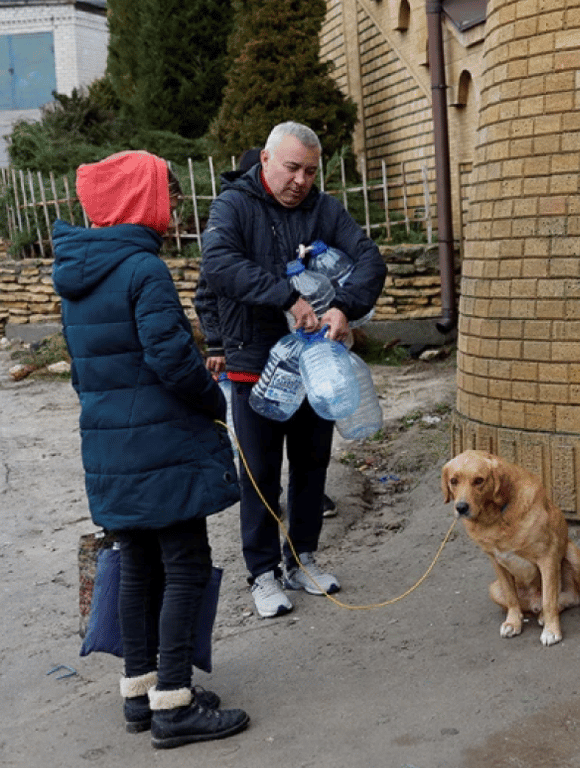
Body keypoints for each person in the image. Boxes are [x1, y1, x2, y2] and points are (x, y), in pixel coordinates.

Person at [52, 151, 251, 747]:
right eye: (162, 189)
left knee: (137, 565)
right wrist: (213, 403)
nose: (169, 200)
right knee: (184, 565)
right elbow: (170, 359)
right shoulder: (142, 269)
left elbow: (82, 375)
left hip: (111, 447)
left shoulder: (77, 276)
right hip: (161, 446)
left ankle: (140, 695)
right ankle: (175, 704)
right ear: (140, 200)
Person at [201, 121, 387, 618]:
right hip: (253, 362)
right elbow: (219, 265)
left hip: (315, 366)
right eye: (291, 168)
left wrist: (343, 305)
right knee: (260, 474)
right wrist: (286, 295)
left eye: (309, 170)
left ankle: (302, 559)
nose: (301, 180)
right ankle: (262, 572)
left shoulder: (324, 210)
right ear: (265, 161)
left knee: (311, 467)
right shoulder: (233, 207)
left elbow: (370, 260)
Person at [195, 146, 336, 518]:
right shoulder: (233, 218)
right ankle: (266, 528)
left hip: (301, 352)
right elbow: (209, 291)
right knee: (260, 461)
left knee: (308, 451)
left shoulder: (301, 218)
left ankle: (307, 511)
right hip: (252, 357)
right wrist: (217, 343)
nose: (297, 184)